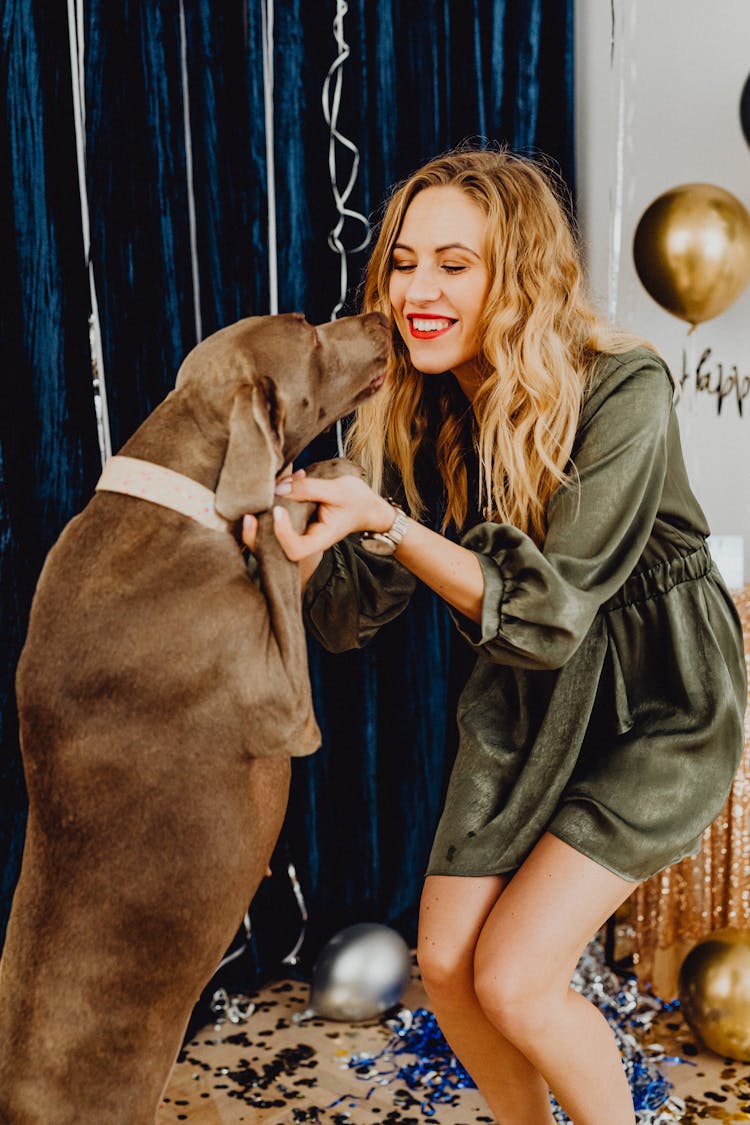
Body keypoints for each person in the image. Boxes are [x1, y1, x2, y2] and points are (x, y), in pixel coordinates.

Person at [242, 147, 747, 1125]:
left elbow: (556, 614)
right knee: (446, 965)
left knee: (515, 981)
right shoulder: (412, 407)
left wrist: (387, 524)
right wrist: (295, 549)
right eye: (403, 261)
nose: (418, 290)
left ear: (514, 276)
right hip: (526, 699)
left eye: (454, 265)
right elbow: (349, 619)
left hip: (656, 701)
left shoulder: (623, 389)